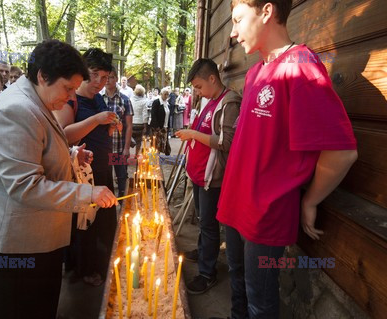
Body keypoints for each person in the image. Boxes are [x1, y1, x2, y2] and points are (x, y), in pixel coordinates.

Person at [218, 1, 358, 317]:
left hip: (266, 214)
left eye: (238, 19)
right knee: (237, 285)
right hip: (236, 202)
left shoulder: (301, 66)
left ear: (266, 12)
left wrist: (310, 201)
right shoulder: (254, 72)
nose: (232, 31)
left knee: (260, 303)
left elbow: (343, 151)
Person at [0, 40, 117, 319]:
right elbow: (25, 185)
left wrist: (71, 155)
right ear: (42, 76)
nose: (71, 96)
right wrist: (89, 194)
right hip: (15, 243)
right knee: (21, 308)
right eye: (68, 88)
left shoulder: (34, 99)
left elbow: (35, 146)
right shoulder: (15, 110)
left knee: (42, 304)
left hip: (37, 235)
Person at [54, 48, 120, 286]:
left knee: (104, 220)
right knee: (86, 224)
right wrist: (96, 120)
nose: (99, 83)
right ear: (83, 71)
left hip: (102, 168)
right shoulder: (71, 99)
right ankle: (84, 270)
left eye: (104, 77)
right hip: (81, 173)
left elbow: (98, 127)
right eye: (94, 75)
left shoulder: (98, 98)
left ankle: (104, 264)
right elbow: (63, 135)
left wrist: (109, 126)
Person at [176, 59, 241, 295]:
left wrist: (193, 133)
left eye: (199, 86)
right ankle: (204, 252)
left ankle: (207, 273)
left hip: (214, 177)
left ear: (212, 79)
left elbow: (228, 142)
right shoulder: (211, 100)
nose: (197, 91)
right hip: (200, 174)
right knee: (204, 221)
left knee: (210, 225)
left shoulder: (229, 102)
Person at [102, 68, 133, 198]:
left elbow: (129, 125)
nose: (108, 80)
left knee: (121, 178)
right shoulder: (98, 99)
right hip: (104, 148)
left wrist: (126, 148)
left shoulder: (125, 100)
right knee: (105, 179)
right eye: (106, 77)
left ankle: (123, 205)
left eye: (112, 77)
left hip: (119, 147)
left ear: (116, 79)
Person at [150, 87, 171, 155]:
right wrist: (157, 127)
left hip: (165, 127)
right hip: (157, 128)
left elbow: (168, 115)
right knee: (155, 145)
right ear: (161, 94)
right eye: (165, 94)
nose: (166, 96)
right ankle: (153, 161)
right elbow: (153, 115)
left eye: (168, 94)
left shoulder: (167, 103)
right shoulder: (156, 102)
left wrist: (168, 127)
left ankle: (158, 159)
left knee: (162, 144)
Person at [131, 84, 150, 155]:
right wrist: (145, 126)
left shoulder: (130, 100)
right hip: (140, 124)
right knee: (138, 141)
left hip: (131, 123)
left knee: (129, 139)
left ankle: (127, 154)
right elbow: (145, 114)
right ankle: (136, 154)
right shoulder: (144, 101)